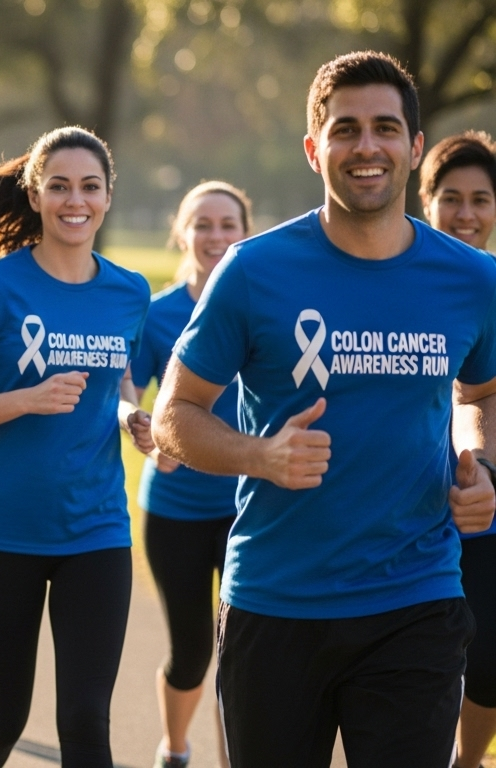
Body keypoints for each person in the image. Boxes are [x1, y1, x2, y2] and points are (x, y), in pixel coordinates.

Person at [152, 52, 496, 767]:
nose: (366, 147)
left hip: (416, 598)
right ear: (315, 150)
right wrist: (259, 455)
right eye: (345, 130)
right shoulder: (253, 270)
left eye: (384, 128)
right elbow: (173, 415)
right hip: (277, 602)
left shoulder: (473, 280)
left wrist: (480, 462)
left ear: (414, 146)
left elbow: (483, 395)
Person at [0, 126, 151, 768]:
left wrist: (133, 414)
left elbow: (122, 377)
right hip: (0, 530)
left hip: (97, 529)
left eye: (89, 187)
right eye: (58, 186)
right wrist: (25, 398)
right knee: (3, 717)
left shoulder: (129, 291)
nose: (74, 200)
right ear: (35, 194)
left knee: (85, 719)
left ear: (107, 197)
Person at [130, 181, 252, 768]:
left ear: (245, 232)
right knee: (192, 651)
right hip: (175, 507)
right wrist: (147, 432)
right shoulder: (158, 313)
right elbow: (124, 387)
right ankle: (175, 750)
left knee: (243, 652)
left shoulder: (262, 305)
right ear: (183, 233)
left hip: (249, 506)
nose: (216, 236)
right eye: (203, 224)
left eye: (228, 224)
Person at [419, 130, 496, 768]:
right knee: (417, 658)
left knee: (491, 661)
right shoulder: (400, 281)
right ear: (426, 201)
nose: (466, 213)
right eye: (451, 197)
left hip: (487, 494)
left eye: (480, 199)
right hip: (414, 501)